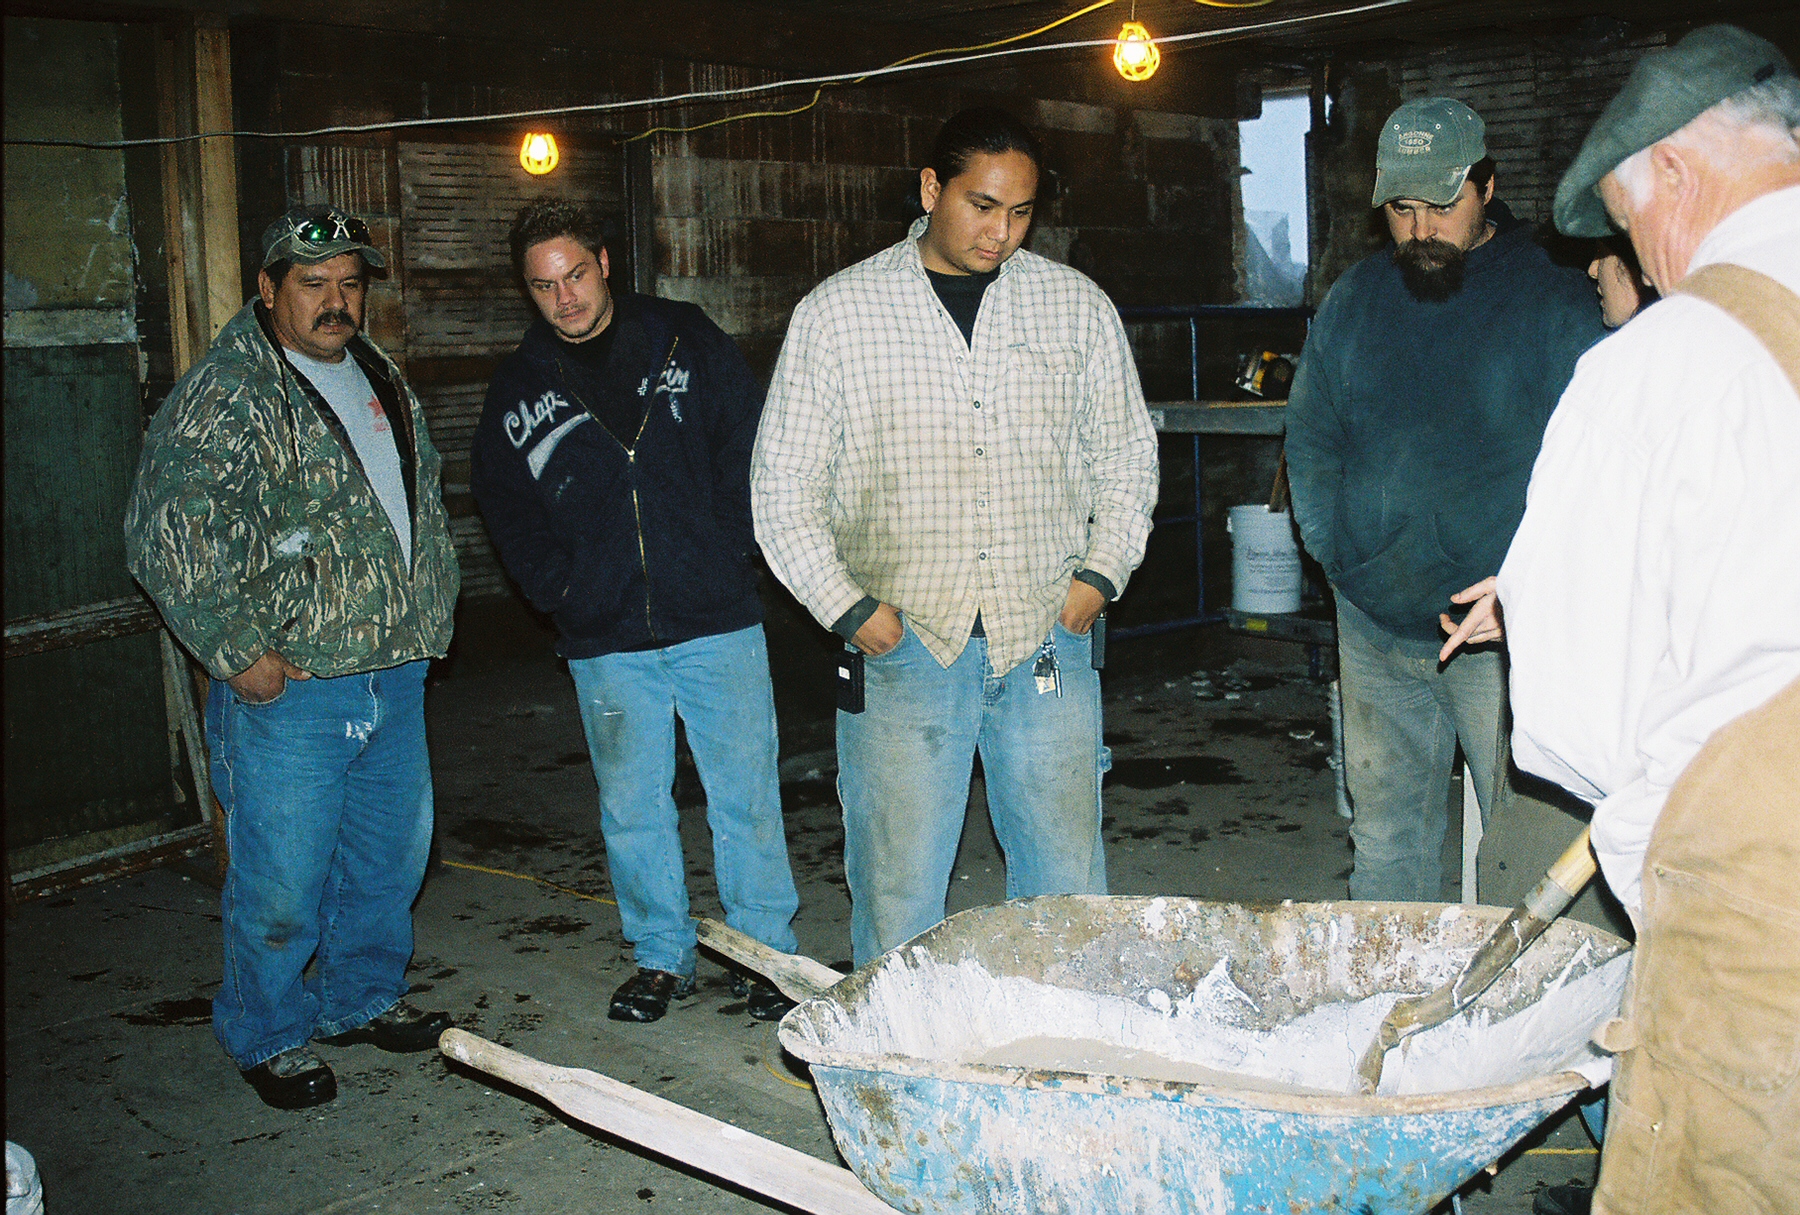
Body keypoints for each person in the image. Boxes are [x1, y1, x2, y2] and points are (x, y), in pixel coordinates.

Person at [1493, 25, 1800, 1215]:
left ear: (1672, 170)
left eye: (1628, 228)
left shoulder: (1662, 364)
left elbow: (1579, 716)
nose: (1643, 266)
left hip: (1764, 933)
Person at [751, 108, 1159, 967]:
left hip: (1047, 636)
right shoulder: (841, 315)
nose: (1000, 233)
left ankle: (1059, 1035)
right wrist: (850, 609)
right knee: (898, 891)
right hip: (904, 647)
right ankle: (902, 1044)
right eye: (982, 206)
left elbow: (1127, 455)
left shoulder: (1075, 309)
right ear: (932, 188)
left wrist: (1100, 576)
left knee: (1066, 885)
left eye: (1021, 212)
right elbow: (781, 487)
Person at [125, 205, 462, 1110]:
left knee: (387, 862)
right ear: (268, 288)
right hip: (295, 691)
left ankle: (362, 997)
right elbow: (164, 530)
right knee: (281, 878)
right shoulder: (230, 387)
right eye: (313, 283)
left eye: (349, 283)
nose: (335, 300)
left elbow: (421, 500)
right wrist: (239, 653)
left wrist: (432, 613)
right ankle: (268, 1029)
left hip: (394, 670)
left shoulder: (377, 370)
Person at [470, 199, 800, 1023]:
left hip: (717, 616)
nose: (566, 298)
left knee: (745, 794)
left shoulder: (683, 337)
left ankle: (765, 952)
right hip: (606, 634)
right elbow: (502, 503)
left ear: (605, 262)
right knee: (632, 805)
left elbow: (750, 443)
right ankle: (660, 953)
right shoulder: (519, 387)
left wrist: (731, 550)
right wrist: (561, 590)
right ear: (526, 291)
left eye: (576, 274)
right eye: (544, 285)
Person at [1284, 97, 1608, 903]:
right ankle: (1389, 988)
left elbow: (1602, 465)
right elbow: (1312, 433)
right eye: (1402, 208)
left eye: (1441, 205)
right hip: (1374, 623)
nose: (1421, 228)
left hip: (1501, 635)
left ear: (1486, 188)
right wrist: (1338, 554)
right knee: (1384, 844)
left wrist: (1539, 592)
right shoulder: (1357, 298)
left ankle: (1514, 991)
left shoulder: (1556, 302)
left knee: (1522, 857)